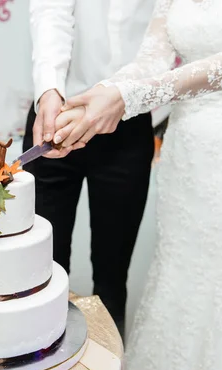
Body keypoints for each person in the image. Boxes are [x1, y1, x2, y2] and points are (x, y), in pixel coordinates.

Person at [50, 0, 222, 370]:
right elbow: (151, 59)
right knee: (180, 274)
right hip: (188, 159)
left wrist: (128, 99)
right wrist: (106, 92)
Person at [27, 0, 157, 334]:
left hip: (129, 119)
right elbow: (51, 12)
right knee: (42, 270)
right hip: (59, 111)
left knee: (112, 279)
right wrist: (48, 92)